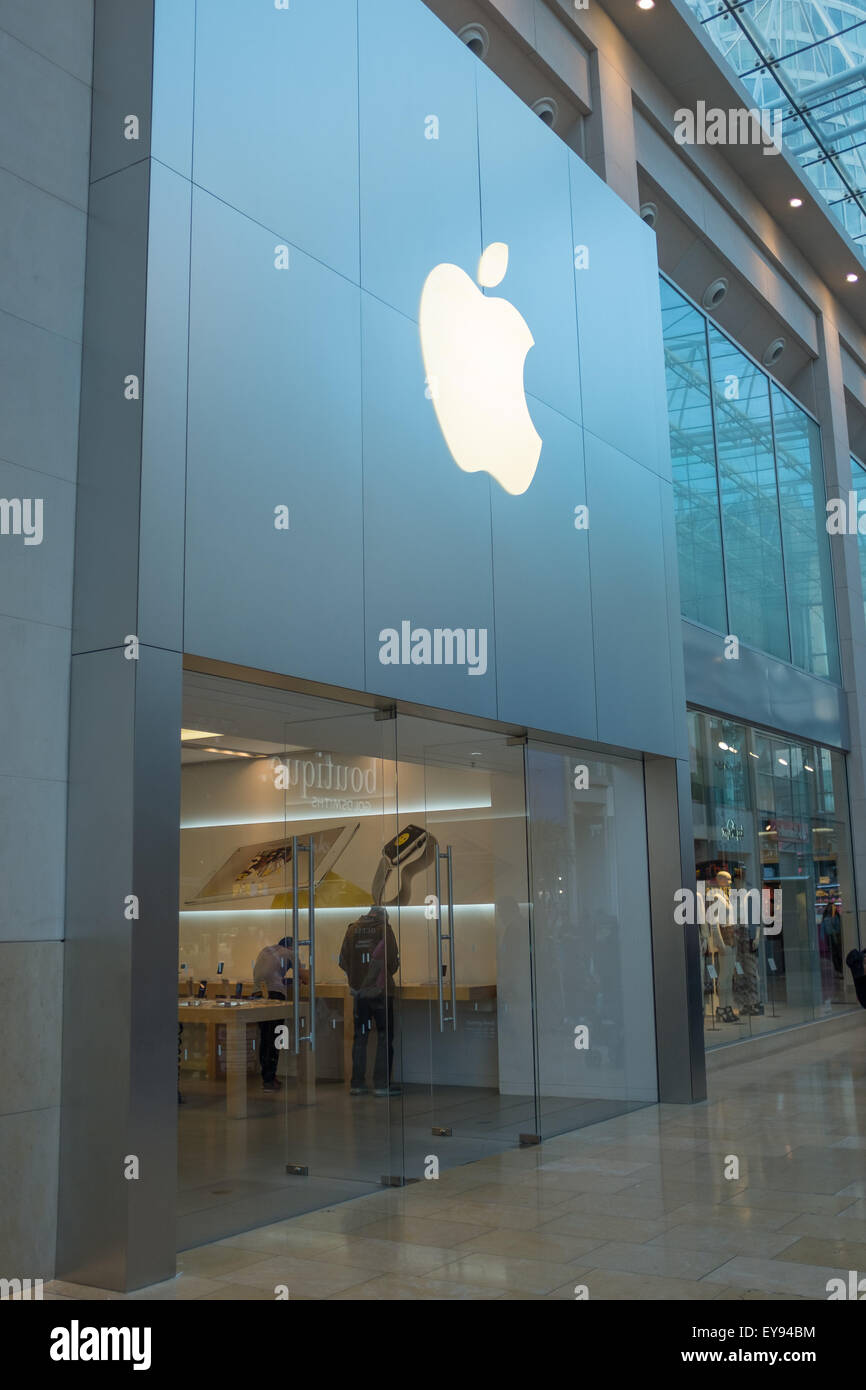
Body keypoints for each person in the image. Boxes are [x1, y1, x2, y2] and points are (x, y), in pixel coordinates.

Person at [338, 906, 400, 1097]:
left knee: (360, 1038)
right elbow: (392, 961)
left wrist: (357, 978)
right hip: (381, 992)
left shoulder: (352, 929)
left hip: (359, 994)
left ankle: (357, 1083)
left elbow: (342, 961)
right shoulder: (384, 928)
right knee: (384, 1036)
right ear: (384, 916)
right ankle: (382, 1085)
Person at [253, 936, 308, 1091]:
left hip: (257, 994)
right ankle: (270, 1080)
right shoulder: (289, 953)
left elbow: (268, 973)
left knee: (265, 1036)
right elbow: (304, 977)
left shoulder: (266, 950)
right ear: (291, 947)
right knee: (275, 1036)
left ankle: (267, 1077)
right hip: (275, 995)